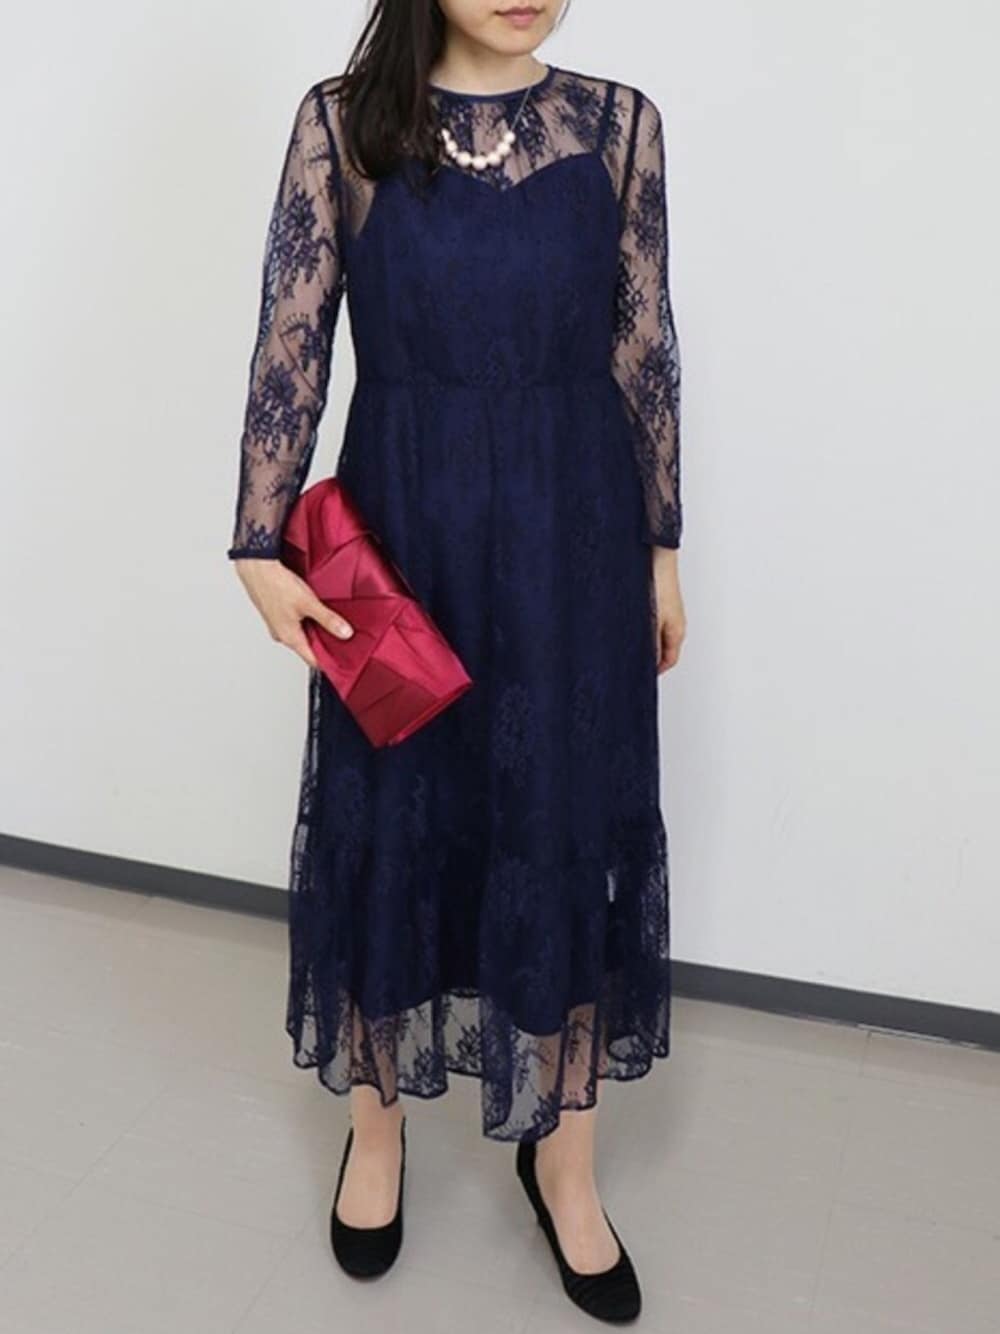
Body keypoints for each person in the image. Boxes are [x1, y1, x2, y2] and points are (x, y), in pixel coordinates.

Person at [226, 0, 686, 1321]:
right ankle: (376, 1134)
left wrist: (662, 548)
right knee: (394, 822)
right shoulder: (342, 126)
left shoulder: (619, 127)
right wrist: (259, 536)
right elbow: (293, 334)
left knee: (561, 823)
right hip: (406, 532)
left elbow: (644, 349)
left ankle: (567, 1161)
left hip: (573, 538)